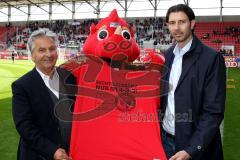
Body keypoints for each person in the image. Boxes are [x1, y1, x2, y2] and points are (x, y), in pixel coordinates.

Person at [161, 4, 226, 160]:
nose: (176, 28)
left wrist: (192, 149)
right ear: (167, 26)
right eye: (172, 23)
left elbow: (214, 112)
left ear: (192, 23)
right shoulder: (167, 55)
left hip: (194, 146)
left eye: (182, 22)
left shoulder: (211, 58)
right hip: (165, 140)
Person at [12, 28, 76, 160]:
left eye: (52, 49)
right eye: (42, 50)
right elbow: (24, 126)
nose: (49, 54)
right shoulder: (22, 86)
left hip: (70, 154)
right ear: (32, 54)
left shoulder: (69, 77)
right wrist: (52, 151)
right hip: (38, 156)